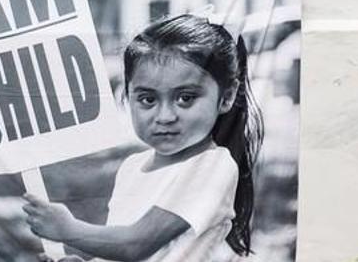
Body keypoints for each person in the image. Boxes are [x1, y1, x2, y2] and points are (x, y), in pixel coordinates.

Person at [24, 14, 263, 262]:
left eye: (185, 98)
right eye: (148, 99)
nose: (165, 116)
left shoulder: (212, 165)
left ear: (226, 97)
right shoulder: (132, 167)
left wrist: (68, 230)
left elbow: (136, 245)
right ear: (126, 96)